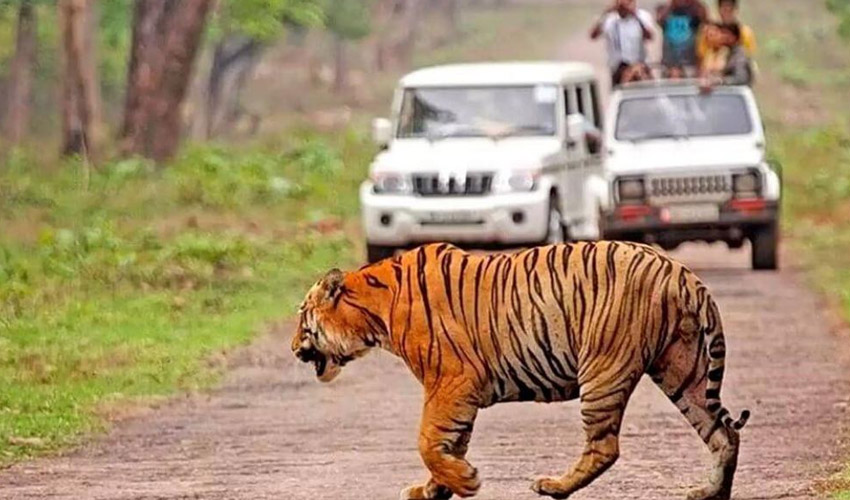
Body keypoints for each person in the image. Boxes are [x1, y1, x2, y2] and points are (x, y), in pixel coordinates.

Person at [590, 0, 656, 86]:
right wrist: (605, 13)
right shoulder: (610, 19)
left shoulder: (642, 16)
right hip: (618, 68)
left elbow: (650, 36)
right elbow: (593, 35)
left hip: (640, 66)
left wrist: (635, 15)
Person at [657, 0, 708, 76]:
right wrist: (671, 5)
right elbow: (659, 19)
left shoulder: (694, 11)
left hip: (689, 65)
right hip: (669, 66)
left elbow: (704, 17)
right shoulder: (666, 10)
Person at [700, 22, 753, 88]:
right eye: (722, 33)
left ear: (734, 37)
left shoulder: (739, 55)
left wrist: (720, 81)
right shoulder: (725, 53)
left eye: (726, 34)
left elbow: (740, 79)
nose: (723, 37)